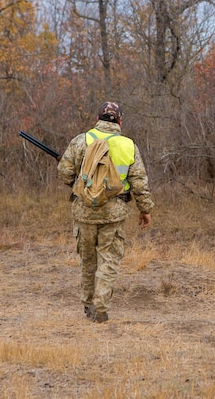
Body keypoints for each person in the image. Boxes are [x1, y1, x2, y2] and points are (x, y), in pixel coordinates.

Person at [57, 102, 154, 323]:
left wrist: (82, 186)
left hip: (84, 211)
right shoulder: (128, 145)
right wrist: (145, 209)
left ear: (98, 119)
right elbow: (139, 182)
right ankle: (100, 309)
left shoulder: (80, 140)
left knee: (88, 260)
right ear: (120, 120)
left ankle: (87, 305)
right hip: (115, 212)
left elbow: (64, 173)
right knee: (109, 259)